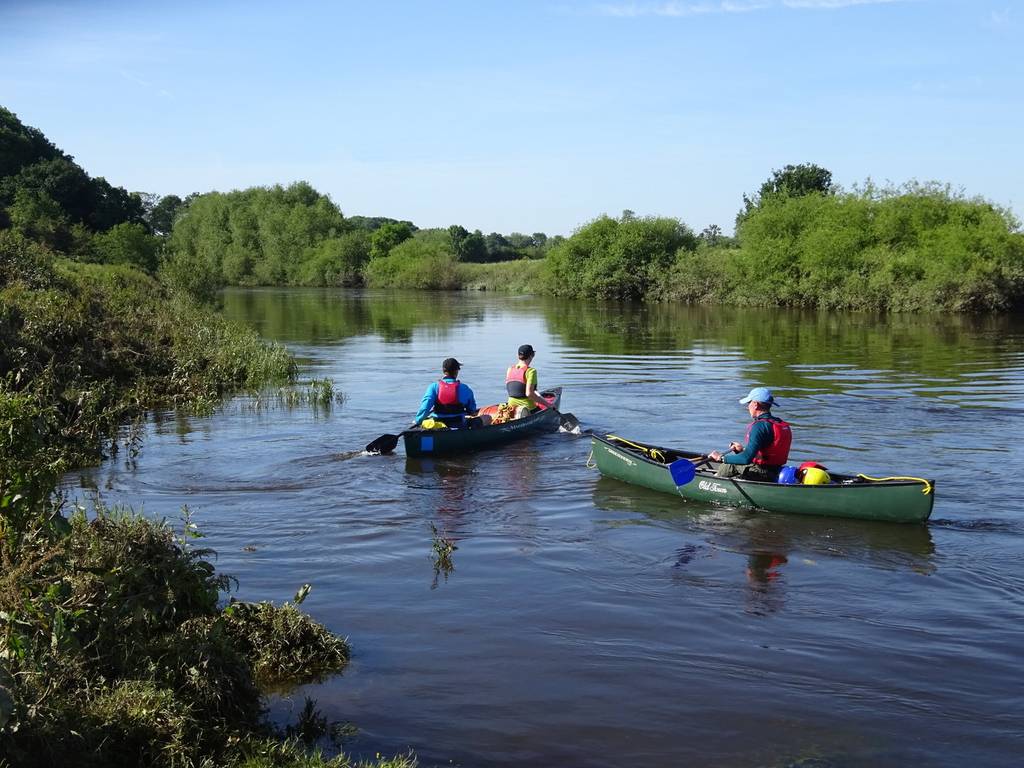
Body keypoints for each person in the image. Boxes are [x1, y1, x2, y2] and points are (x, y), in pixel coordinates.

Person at [708, 386, 792, 481]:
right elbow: (766, 454)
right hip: (776, 471)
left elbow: (746, 459)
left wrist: (720, 457)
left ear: (755, 404)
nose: (747, 407)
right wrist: (742, 450)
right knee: (735, 459)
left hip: (761, 473)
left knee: (729, 464)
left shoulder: (759, 426)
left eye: (749, 403)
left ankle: (712, 482)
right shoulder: (780, 424)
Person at [412, 358, 483, 429]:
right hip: (459, 425)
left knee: (427, 422)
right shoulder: (465, 388)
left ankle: (427, 439)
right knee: (486, 418)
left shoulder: (433, 387)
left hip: (438, 425)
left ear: (443, 371)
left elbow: (425, 408)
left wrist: (418, 421)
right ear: (456, 371)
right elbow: (471, 410)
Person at [505, 344, 547, 418]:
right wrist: (548, 404)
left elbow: (514, 388)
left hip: (511, 407)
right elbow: (529, 394)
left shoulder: (510, 369)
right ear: (532, 355)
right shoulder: (531, 371)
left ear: (518, 356)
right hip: (528, 409)